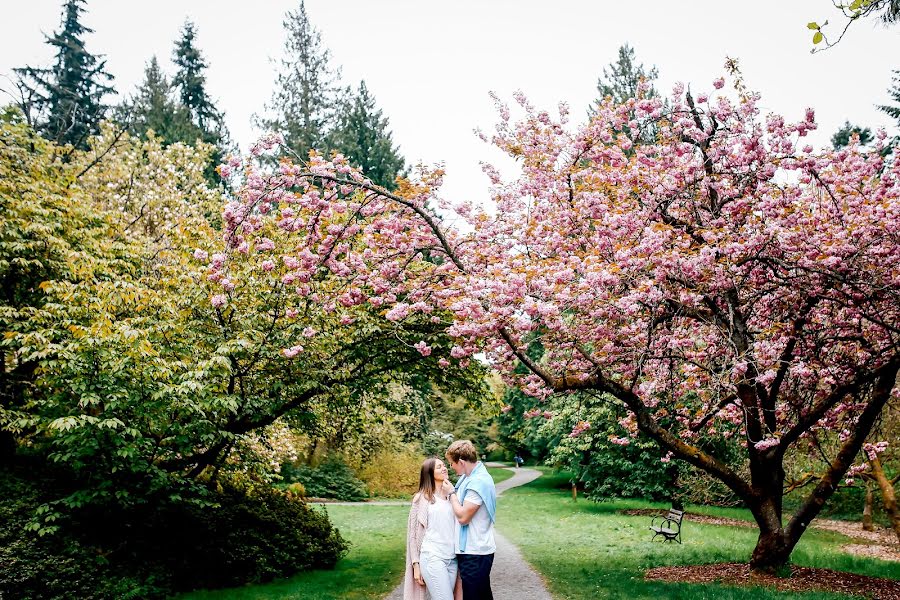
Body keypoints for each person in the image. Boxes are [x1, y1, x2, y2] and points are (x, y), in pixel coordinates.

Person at [442, 440, 496, 600]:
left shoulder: (478, 482)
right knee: (482, 595)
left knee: (474, 596)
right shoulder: (469, 478)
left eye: (452, 463)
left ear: (461, 462)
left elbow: (464, 517)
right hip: (474, 550)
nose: (450, 467)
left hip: (475, 551)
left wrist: (451, 493)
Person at [403, 457, 461, 600]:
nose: (444, 468)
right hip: (432, 557)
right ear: (429, 473)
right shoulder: (421, 499)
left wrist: (452, 494)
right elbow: (413, 535)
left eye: (443, 465)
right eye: (438, 467)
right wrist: (416, 565)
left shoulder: (452, 496)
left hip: (452, 559)